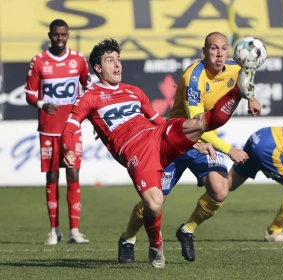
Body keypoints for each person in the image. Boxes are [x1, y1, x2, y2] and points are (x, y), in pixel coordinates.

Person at [60, 38, 257, 268]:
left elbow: (158, 122)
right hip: (135, 150)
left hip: (158, 136)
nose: (117, 65)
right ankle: (155, 244)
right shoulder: (90, 96)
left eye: (118, 60)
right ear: (97, 68)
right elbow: (70, 126)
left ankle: (237, 93)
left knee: (198, 123)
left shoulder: (134, 91)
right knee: (153, 205)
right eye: (110, 61)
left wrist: (192, 143)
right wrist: (68, 149)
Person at [118, 32, 262, 264]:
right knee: (154, 202)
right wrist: (229, 149)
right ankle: (128, 238)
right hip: (175, 140)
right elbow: (197, 123)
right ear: (204, 51)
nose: (219, 53)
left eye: (224, 48)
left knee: (220, 190)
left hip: (206, 142)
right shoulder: (193, 77)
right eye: (214, 48)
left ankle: (187, 230)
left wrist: (251, 97)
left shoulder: (235, 67)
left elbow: (246, 79)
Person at [25, 19, 92, 245]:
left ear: (68, 34)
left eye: (63, 34)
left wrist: (90, 117)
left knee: (73, 175)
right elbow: (29, 94)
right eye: (56, 35)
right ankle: (54, 230)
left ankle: (75, 231)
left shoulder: (79, 60)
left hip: (72, 128)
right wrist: (43, 104)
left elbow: (88, 90)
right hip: (49, 129)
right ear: (50, 35)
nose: (60, 38)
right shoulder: (39, 61)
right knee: (52, 177)